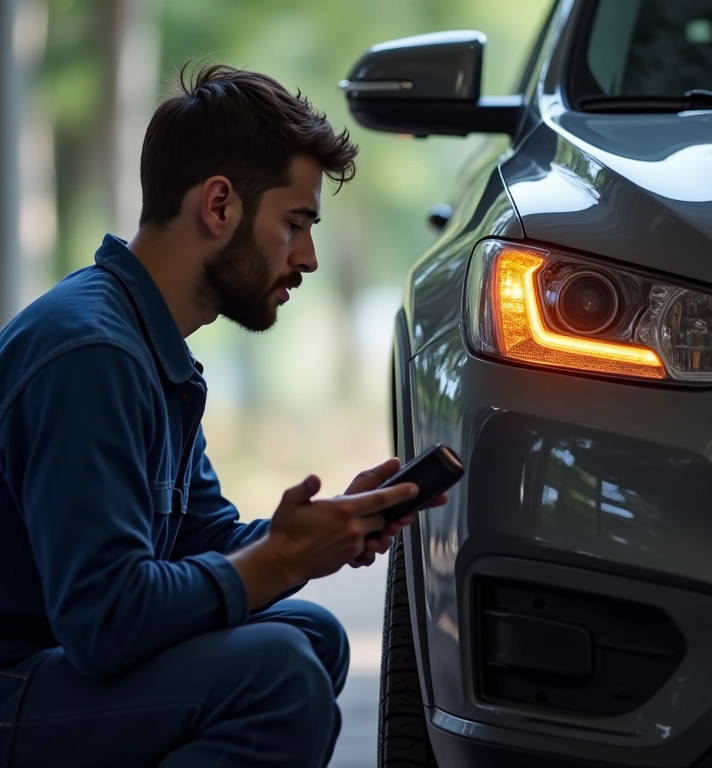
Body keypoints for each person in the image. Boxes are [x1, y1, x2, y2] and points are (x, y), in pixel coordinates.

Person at [0, 63, 438, 768]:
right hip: (16, 683)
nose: (309, 257)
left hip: (50, 672)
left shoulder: (147, 346)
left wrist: (316, 534)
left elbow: (203, 540)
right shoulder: (92, 354)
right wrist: (278, 559)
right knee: (278, 677)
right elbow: (104, 621)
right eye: (295, 222)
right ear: (219, 206)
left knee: (309, 635)